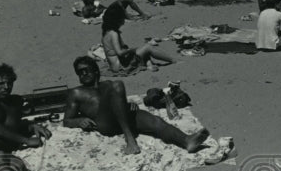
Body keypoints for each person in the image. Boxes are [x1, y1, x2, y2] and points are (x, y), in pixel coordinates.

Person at [63, 56, 209, 155]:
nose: (83, 74)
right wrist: (78, 121)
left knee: (155, 121)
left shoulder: (107, 85)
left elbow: (117, 103)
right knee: (118, 84)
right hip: (105, 124)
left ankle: (186, 141)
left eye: (85, 70)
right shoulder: (76, 92)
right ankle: (130, 139)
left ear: (95, 70)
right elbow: (66, 120)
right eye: (79, 73)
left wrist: (128, 105)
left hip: (122, 118)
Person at [101, 2, 174, 74]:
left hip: (114, 66)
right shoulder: (114, 34)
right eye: (122, 18)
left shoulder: (106, 33)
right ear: (116, 20)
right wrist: (131, 49)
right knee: (148, 48)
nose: (123, 21)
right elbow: (119, 52)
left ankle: (149, 65)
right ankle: (173, 60)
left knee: (141, 51)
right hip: (120, 67)